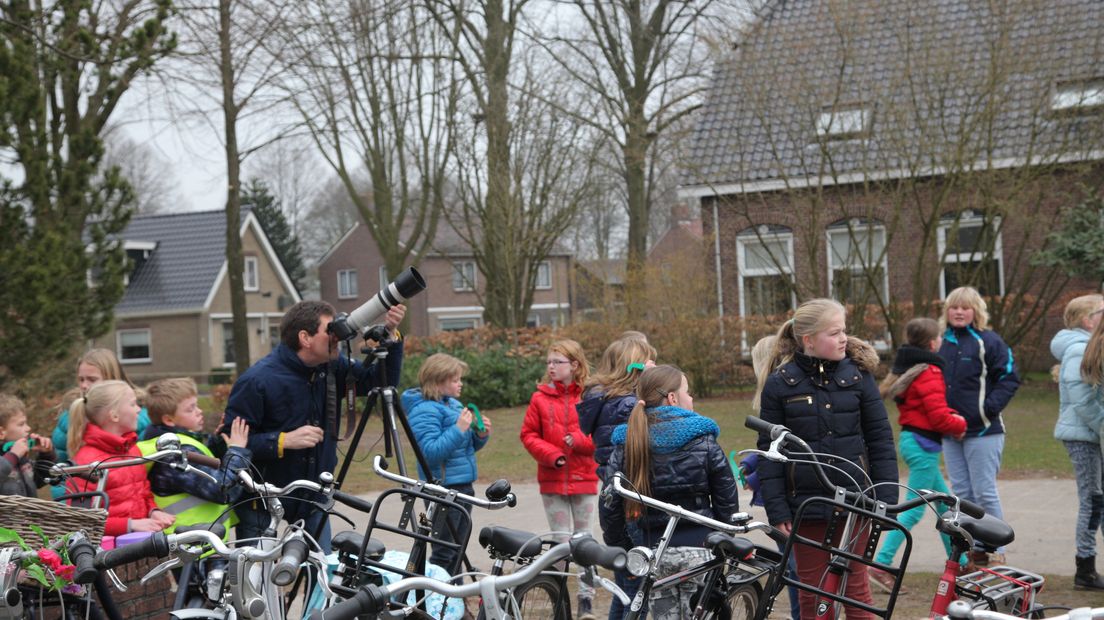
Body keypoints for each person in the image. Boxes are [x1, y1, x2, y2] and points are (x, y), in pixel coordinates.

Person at [753, 298, 898, 620]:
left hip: (856, 502)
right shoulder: (781, 383)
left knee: (856, 589)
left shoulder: (859, 377)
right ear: (809, 340)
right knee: (814, 592)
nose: (843, 338)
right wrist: (778, 511)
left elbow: (880, 439)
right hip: (807, 506)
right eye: (834, 333)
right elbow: (770, 453)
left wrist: (886, 497)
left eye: (844, 331)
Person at [223, 300, 405, 549]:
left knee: (320, 572)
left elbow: (380, 382)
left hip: (313, 494)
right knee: (256, 579)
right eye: (329, 331)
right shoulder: (257, 381)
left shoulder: (332, 367)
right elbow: (229, 443)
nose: (337, 338)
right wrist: (282, 441)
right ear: (305, 338)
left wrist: (391, 338)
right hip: (262, 498)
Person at [602, 365, 739, 620]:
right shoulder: (704, 439)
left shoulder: (628, 441)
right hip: (700, 548)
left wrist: (623, 549)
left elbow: (609, 503)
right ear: (673, 398)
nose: (692, 398)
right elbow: (726, 500)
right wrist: (725, 542)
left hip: (653, 551)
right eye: (688, 392)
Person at [868, 318, 967, 593]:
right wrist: (960, 425)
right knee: (914, 509)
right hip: (922, 445)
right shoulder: (930, 371)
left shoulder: (911, 367)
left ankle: (960, 563)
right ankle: (881, 564)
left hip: (917, 443)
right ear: (934, 343)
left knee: (947, 506)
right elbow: (937, 415)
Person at [576, 334, 656, 620]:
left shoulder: (605, 401)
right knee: (636, 586)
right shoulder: (629, 406)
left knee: (625, 581)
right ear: (632, 368)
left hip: (615, 495)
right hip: (634, 498)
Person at [939, 286, 1020, 567]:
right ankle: (973, 553)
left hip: (984, 431)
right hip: (950, 432)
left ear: (976, 312)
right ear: (946, 311)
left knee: (985, 490)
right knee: (961, 493)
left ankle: (996, 551)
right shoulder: (941, 342)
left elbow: (1010, 376)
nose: (959, 312)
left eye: (965, 307)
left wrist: (988, 408)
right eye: (954, 307)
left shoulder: (989, 341)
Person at [520, 339, 598, 619]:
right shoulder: (539, 398)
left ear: (575, 365)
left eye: (558, 362)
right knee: (562, 545)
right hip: (552, 482)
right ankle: (559, 601)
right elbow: (528, 435)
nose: (551, 367)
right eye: (549, 362)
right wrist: (551, 454)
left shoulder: (590, 396)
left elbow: (600, 435)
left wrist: (579, 440)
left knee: (584, 543)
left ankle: (586, 601)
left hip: (585, 480)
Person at [403, 353, 492, 574]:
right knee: (444, 552)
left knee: (457, 549)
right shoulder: (423, 410)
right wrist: (458, 429)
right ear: (438, 381)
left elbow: (464, 448)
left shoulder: (453, 405)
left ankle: (454, 602)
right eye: (455, 380)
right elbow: (429, 453)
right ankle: (435, 602)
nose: (460, 384)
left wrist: (480, 435)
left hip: (462, 486)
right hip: (442, 490)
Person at [138, 378, 253, 536]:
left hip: (200, 542)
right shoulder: (174, 454)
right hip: (189, 548)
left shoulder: (180, 442)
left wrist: (218, 443)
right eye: (190, 409)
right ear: (169, 419)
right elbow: (222, 490)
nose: (199, 411)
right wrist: (237, 450)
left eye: (197, 405)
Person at [67, 380, 174, 535]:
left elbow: (143, 493)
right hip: (108, 552)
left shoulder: (132, 450)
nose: (139, 409)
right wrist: (129, 525)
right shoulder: (86, 462)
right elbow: (82, 520)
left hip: (141, 543)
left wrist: (153, 511)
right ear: (114, 415)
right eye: (133, 404)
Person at [50, 348, 152, 498]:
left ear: (112, 379)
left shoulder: (135, 420)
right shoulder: (70, 417)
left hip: (129, 502)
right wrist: (67, 502)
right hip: (82, 502)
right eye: (81, 379)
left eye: (92, 379)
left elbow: (144, 474)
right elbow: (62, 469)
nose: (84, 385)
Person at [1057, 294, 1104, 589]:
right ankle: (1084, 567)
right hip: (1083, 437)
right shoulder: (1078, 350)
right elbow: (1083, 400)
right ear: (1088, 320)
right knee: (1093, 501)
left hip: (1093, 434)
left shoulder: (1089, 346)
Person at [0, 394, 56, 497]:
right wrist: (12, 456)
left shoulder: (22, 459)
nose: (28, 428)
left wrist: (46, 454)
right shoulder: (14, 456)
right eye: (21, 424)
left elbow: (40, 480)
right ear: (1, 433)